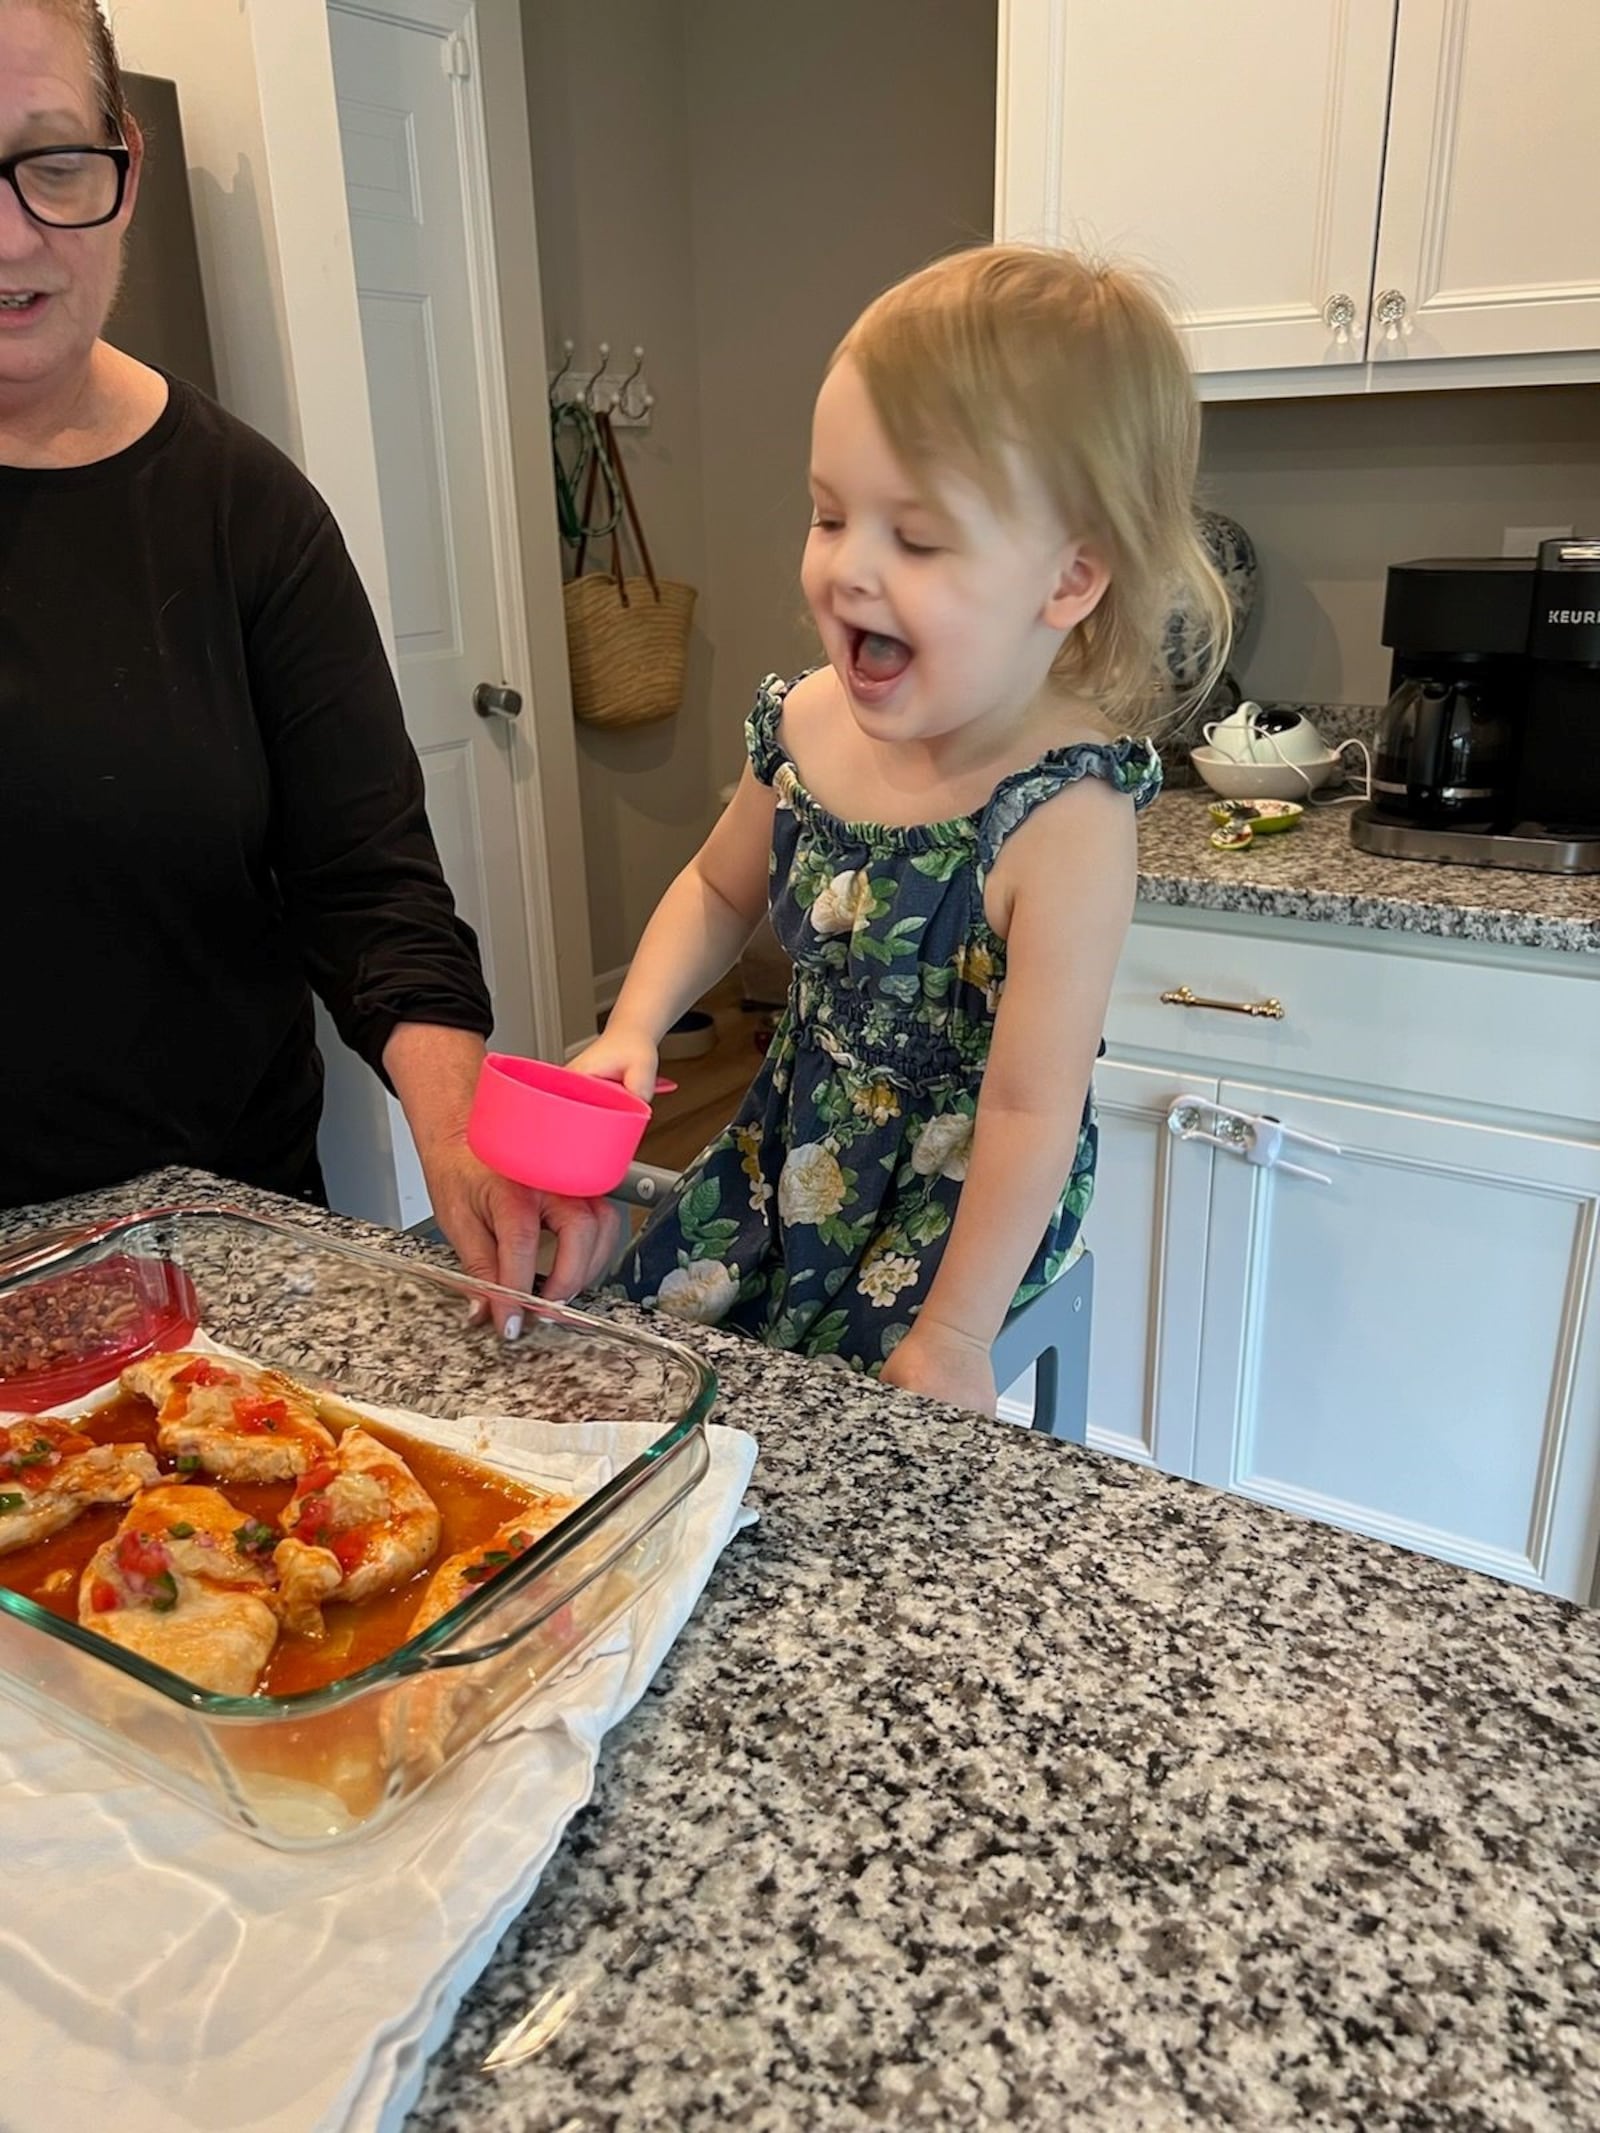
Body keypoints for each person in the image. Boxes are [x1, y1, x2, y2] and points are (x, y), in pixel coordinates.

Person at [0, 0, 616, 1309]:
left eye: (52, 163)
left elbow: (367, 884)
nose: (10, 235)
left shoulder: (247, 511)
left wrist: (459, 1133)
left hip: (215, 1272)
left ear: (126, 167)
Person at [573, 243, 1228, 1413]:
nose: (848, 571)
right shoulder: (810, 720)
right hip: (795, 1129)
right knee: (650, 1363)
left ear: (1068, 579)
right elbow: (723, 892)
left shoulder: (1065, 817)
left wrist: (961, 1329)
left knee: (851, 1429)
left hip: (959, 1189)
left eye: (915, 539)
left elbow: (1033, 1105)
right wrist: (633, 1026)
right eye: (830, 516)